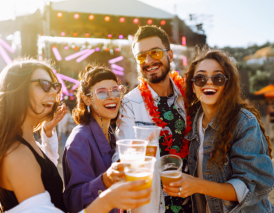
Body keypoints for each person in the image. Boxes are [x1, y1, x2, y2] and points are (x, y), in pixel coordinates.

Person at [163, 48, 274, 212]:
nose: (209, 82)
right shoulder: (193, 122)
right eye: (200, 78)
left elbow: (248, 187)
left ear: (227, 85)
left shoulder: (243, 122)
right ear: (193, 87)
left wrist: (196, 185)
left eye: (218, 78)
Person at [114, 25, 192, 213]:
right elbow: (122, 156)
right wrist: (136, 153)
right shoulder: (129, 104)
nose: (149, 61)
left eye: (155, 53)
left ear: (170, 55)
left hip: (193, 203)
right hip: (153, 206)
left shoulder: (188, 98)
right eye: (141, 56)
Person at [0, 59, 68, 212]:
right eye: (44, 85)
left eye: (55, 86)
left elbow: (45, 174)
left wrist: (47, 132)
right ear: (17, 91)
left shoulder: (25, 143)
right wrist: (106, 200)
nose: (54, 92)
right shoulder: (17, 154)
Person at [63, 65, 152, 213]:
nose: (112, 97)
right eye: (102, 93)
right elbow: (73, 201)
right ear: (87, 100)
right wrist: (104, 180)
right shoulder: (79, 140)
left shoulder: (113, 134)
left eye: (116, 90)